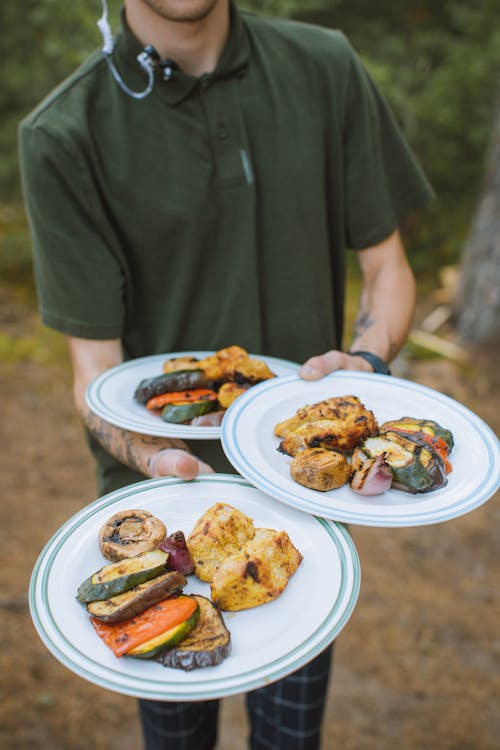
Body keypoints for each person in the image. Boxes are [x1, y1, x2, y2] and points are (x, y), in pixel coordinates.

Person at [19, 1, 433, 748]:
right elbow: (95, 368)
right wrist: (152, 456)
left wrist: (366, 368)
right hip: (155, 523)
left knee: (288, 739)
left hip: (296, 503)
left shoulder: (324, 67)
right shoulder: (63, 133)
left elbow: (387, 269)